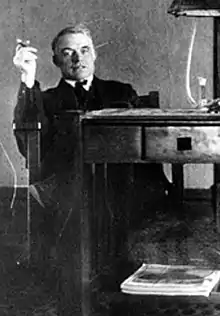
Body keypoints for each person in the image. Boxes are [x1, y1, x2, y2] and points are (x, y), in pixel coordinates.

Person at [12, 24, 171, 276]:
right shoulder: (45, 100)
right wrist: (28, 79)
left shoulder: (121, 92)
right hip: (71, 185)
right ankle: (82, 276)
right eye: (67, 52)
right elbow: (29, 140)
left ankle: (125, 268)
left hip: (120, 182)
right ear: (55, 60)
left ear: (95, 54)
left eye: (84, 50)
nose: (78, 58)